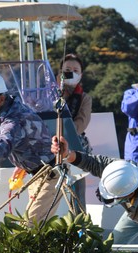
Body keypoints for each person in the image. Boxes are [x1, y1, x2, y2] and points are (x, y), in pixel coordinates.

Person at [0, 70, 62, 224]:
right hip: (38, 175)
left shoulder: (13, 120)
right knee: (34, 226)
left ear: (0, 99)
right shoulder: (9, 112)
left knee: (30, 225)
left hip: (50, 176)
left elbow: (5, 142)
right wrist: (22, 164)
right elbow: (27, 142)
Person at [57, 53, 92, 212]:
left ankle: (80, 230)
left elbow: (81, 123)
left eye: (75, 70)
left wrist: (65, 133)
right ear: (60, 73)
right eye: (67, 70)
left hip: (76, 149)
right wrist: (60, 91)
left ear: (81, 75)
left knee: (77, 193)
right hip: (53, 147)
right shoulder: (51, 94)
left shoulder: (85, 98)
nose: (71, 73)